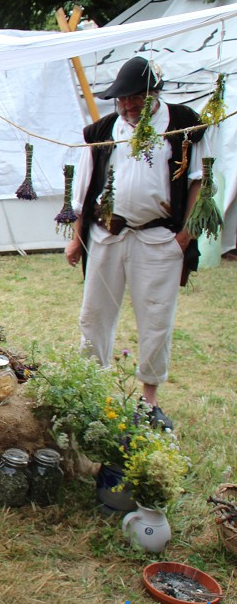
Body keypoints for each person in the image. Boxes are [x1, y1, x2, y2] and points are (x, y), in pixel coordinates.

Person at [65, 56, 206, 410]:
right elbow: (84, 191)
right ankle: (92, 386)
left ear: (153, 93)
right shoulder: (103, 131)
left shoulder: (183, 124)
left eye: (135, 97)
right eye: (122, 98)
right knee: (94, 314)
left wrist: (185, 236)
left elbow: (199, 182)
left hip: (159, 239)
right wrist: (76, 237)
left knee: (156, 316)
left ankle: (149, 398)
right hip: (108, 235)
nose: (127, 105)